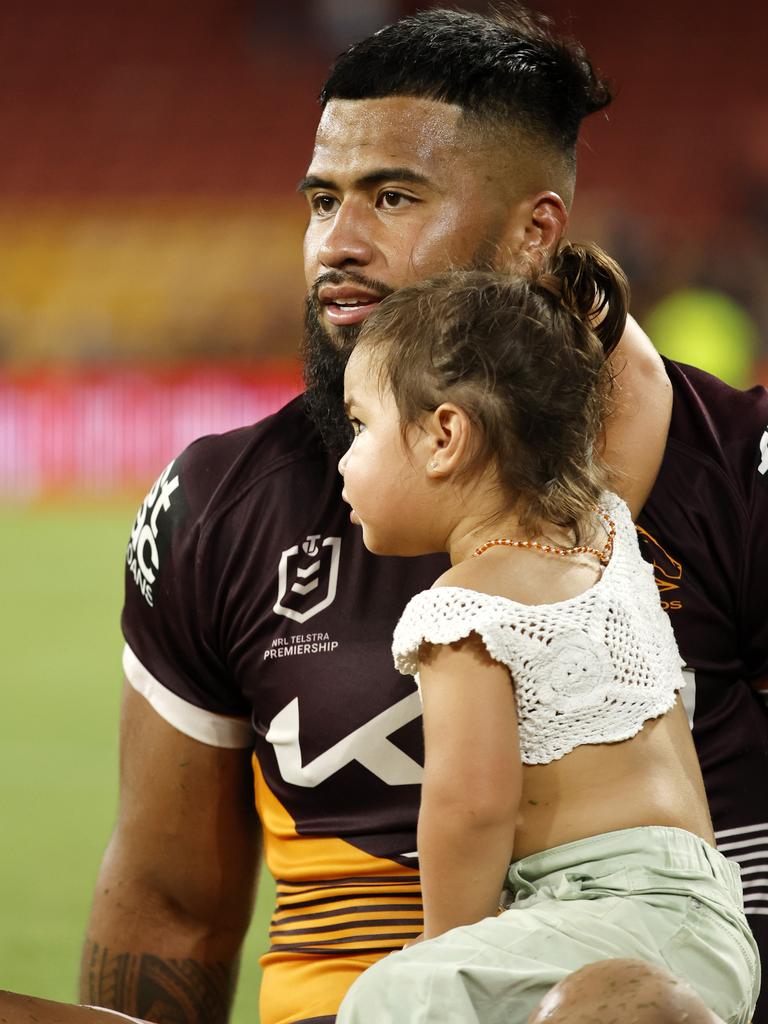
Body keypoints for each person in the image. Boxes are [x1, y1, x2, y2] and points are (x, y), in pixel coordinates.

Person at [76, 7, 768, 1024]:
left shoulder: (738, 480)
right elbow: (168, 912)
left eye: (393, 197)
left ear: (539, 231)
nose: (337, 245)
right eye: (322, 200)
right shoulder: (217, 508)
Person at [331, 251, 758, 1024]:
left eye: (359, 426)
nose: (344, 458)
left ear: (445, 437)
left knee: (392, 997)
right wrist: (560, 279)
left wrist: (441, 955)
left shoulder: (461, 607)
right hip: (709, 923)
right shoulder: (604, 533)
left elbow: (471, 807)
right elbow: (647, 389)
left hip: (617, 921)